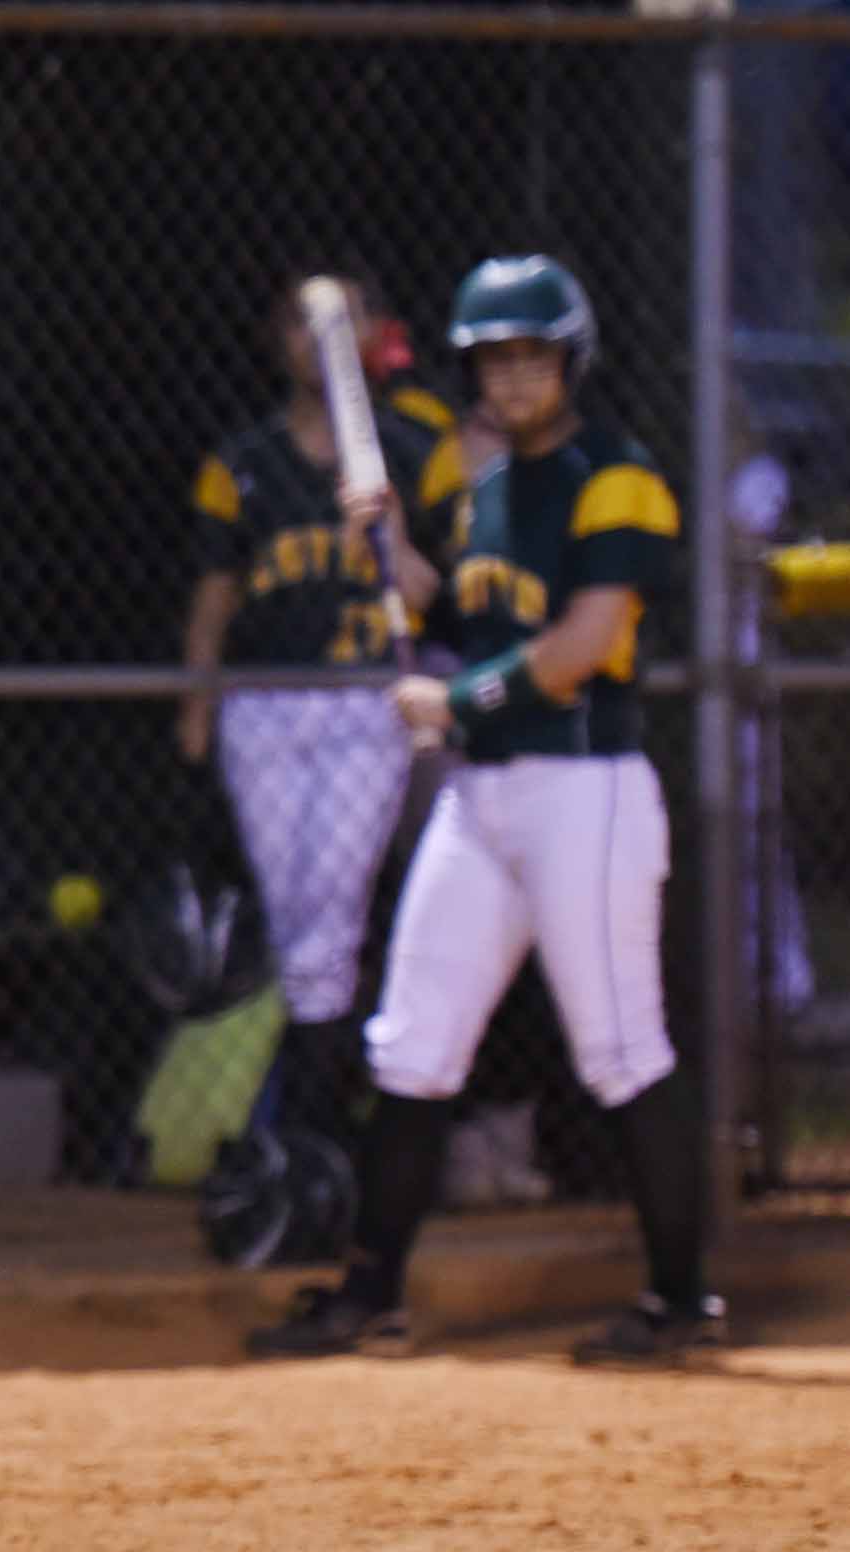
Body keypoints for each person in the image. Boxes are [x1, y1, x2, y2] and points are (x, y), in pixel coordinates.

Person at [250, 255, 716, 1365]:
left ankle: (680, 1300)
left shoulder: (616, 478)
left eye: (532, 356)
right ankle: (371, 1294)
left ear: (571, 362)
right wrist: (388, 546)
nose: (512, 377)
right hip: (485, 799)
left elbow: (584, 641)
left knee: (620, 1050)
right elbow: (459, 613)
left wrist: (455, 702)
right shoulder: (484, 492)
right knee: (410, 1047)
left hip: (585, 792)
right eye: (494, 359)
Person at [180, 271, 466, 1145]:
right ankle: (314, 1124)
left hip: (365, 698)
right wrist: (197, 704)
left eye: (342, 320)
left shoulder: (418, 450)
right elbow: (217, 592)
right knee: (295, 913)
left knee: (330, 913)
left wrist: (390, 539)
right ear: (278, 342)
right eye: (304, 323)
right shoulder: (243, 463)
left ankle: (309, 1135)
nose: (322, 340)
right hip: (263, 703)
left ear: (376, 333)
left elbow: (446, 591)